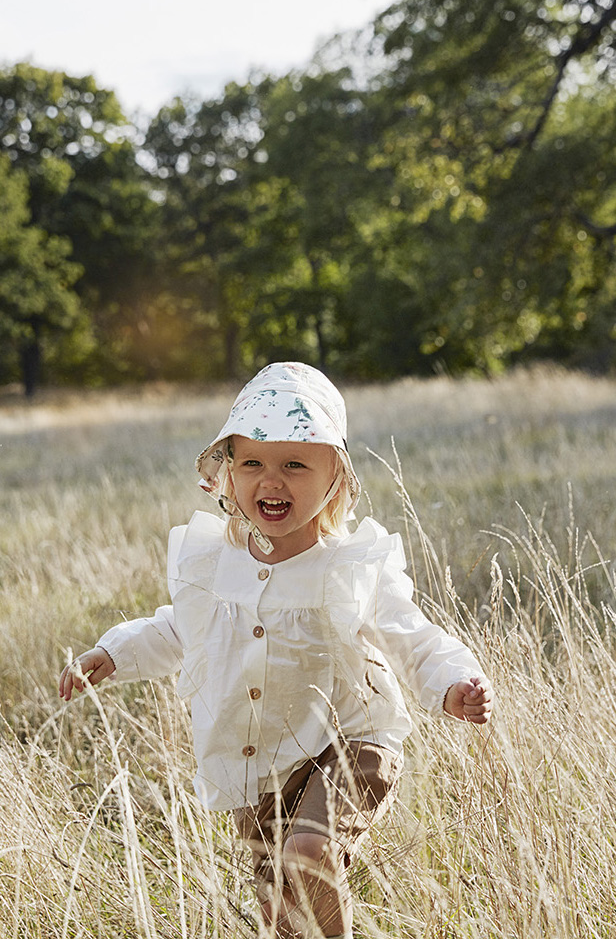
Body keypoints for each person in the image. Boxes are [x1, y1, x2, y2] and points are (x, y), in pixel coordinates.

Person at [58, 362, 493, 939]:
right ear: (228, 474)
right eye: (253, 464)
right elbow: (180, 631)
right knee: (280, 912)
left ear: (333, 475)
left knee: (309, 850)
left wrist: (452, 684)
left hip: (351, 743)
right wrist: (114, 654)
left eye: (295, 464)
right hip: (257, 765)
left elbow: (411, 636)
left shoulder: (350, 566)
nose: (272, 481)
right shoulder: (214, 566)